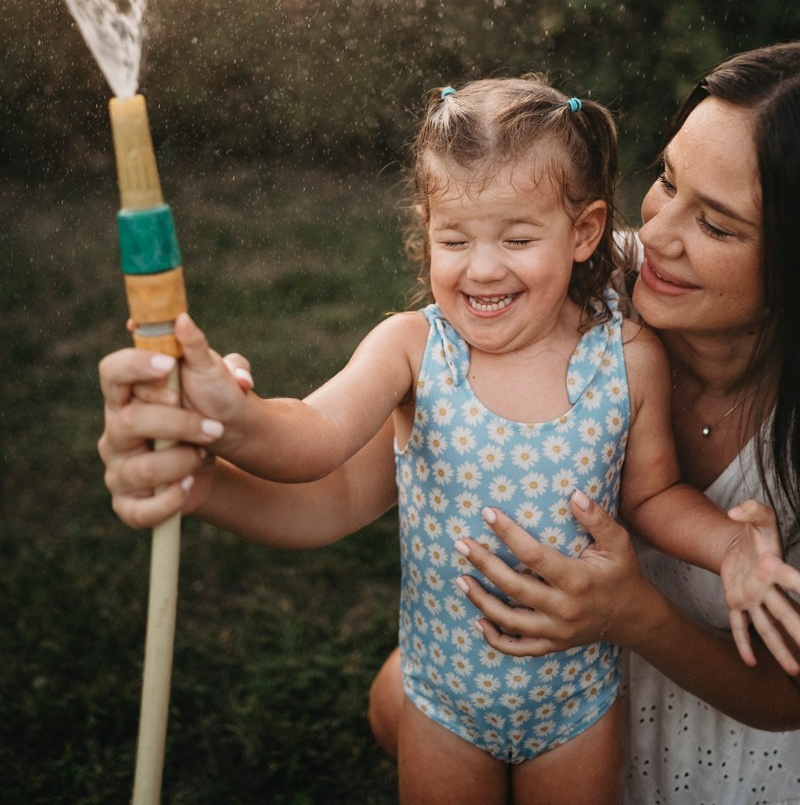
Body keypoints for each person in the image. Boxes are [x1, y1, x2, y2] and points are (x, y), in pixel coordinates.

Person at [98, 71, 800, 805]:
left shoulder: (622, 357)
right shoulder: (420, 346)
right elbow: (315, 447)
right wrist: (222, 434)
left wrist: (727, 548)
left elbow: (653, 495)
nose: (654, 234)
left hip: (584, 702)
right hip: (445, 695)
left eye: (717, 224)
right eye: (666, 180)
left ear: (581, 231)